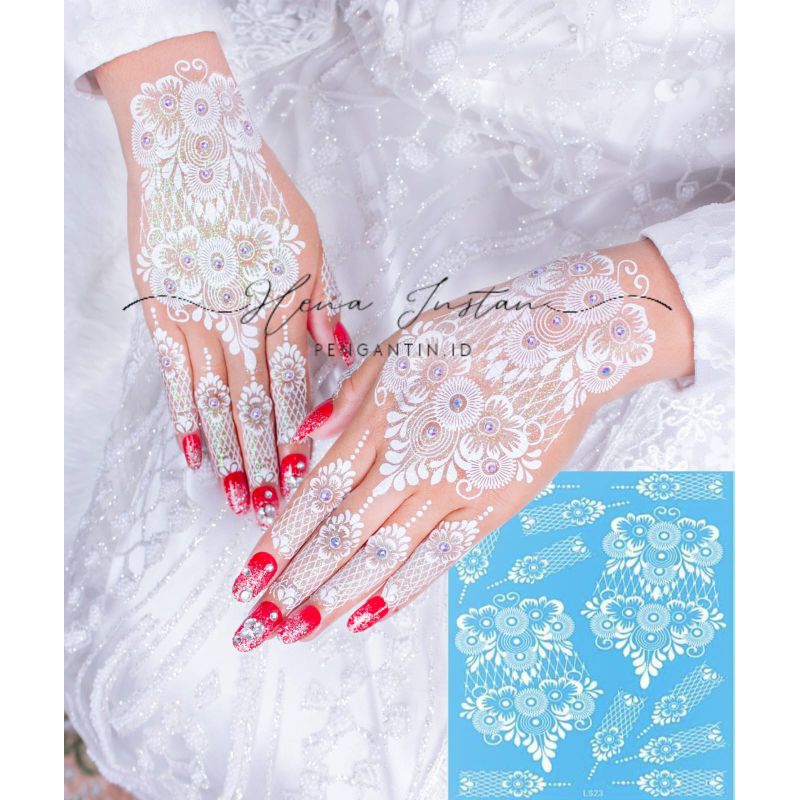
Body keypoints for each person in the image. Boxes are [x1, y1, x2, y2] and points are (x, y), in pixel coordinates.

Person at [65, 2, 734, 797]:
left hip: (697, 279)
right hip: (339, 110)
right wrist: (178, 106)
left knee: (547, 755)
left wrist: (597, 321)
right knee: (163, 667)